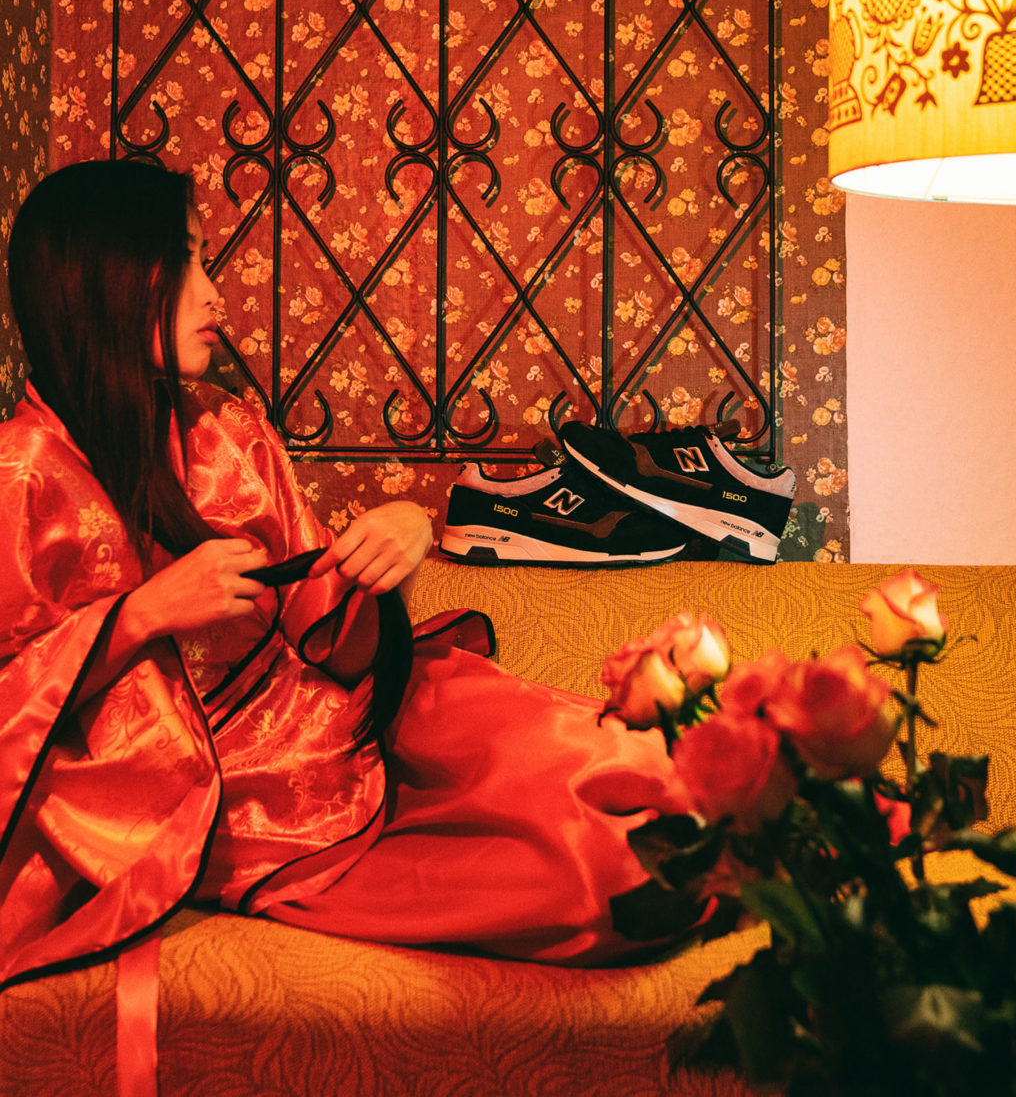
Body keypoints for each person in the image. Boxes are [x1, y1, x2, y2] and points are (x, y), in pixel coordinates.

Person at [0, 158, 683, 997]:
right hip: (244, 814)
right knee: (602, 874)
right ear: (104, 277)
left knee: (628, 761)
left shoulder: (224, 429)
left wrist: (394, 544)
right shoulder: (22, 474)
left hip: (355, 720)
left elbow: (333, 639)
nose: (216, 295)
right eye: (186, 260)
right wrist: (140, 616)